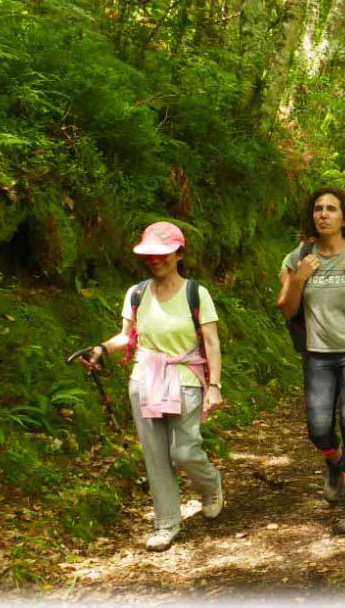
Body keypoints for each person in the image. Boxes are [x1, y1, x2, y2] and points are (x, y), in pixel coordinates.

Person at [81, 222, 224, 552]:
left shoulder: (195, 293)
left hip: (186, 376)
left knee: (184, 451)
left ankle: (211, 483)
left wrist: (214, 385)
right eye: (150, 254)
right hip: (145, 377)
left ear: (179, 253)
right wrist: (102, 348)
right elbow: (126, 336)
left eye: (163, 253)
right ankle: (166, 523)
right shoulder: (136, 293)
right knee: (155, 454)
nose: (156, 260)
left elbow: (212, 342)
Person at [276, 187, 345, 535]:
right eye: (318, 209)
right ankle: (335, 462)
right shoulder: (298, 257)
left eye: (331, 209)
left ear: (343, 217)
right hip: (318, 354)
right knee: (319, 429)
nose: (323, 214)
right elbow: (286, 308)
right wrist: (298, 279)